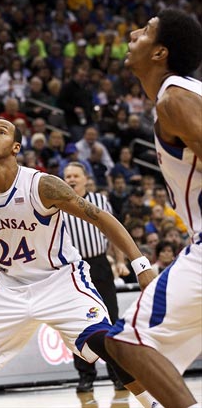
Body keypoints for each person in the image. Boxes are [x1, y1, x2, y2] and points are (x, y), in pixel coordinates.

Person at [0, 119, 157, 406]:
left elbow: (99, 217)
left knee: (107, 344)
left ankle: (154, 402)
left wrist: (140, 264)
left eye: (1, 132)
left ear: (16, 147)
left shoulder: (43, 185)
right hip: (9, 287)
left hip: (60, 280)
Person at [105, 9, 202, 408]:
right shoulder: (183, 94)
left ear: (160, 52)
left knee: (127, 341)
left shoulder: (175, 99)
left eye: (144, 31)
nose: (132, 32)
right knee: (144, 355)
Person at [62, 162, 129, 392]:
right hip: (72, 269)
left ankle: (117, 374)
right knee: (77, 323)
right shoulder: (57, 204)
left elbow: (113, 231)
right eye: (67, 176)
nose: (71, 179)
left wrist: (120, 260)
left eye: (75, 176)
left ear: (85, 178)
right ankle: (85, 376)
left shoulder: (100, 200)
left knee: (110, 318)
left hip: (100, 264)